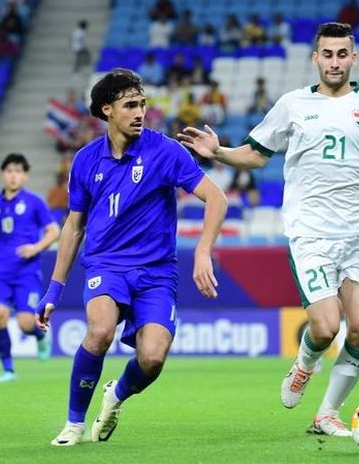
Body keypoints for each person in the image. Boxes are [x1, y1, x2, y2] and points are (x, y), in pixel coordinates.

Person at [178, 22, 359, 436]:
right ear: (316, 58)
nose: (335, 61)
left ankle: (326, 414)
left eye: (343, 54)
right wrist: (217, 152)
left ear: (354, 58)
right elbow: (254, 155)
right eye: (328, 54)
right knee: (324, 327)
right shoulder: (292, 104)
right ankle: (305, 364)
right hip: (312, 233)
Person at [35, 69, 227, 446]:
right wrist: (53, 291)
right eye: (130, 106)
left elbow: (216, 198)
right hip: (106, 266)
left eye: (142, 104)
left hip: (156, 273)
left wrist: (203, 250)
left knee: (152, 358)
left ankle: (116, 395)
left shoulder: (165, 151)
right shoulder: (86, 161)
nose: (140, 112)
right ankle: (74, 423)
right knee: (100, 331)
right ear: (108, 110)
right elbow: (74, 228)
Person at [0, 153, 60, 382]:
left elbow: (54, 231)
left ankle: (39, 336)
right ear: (2, 174)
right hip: (0, 272)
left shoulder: (35, 202)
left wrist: (36, 248)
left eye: (18, 171)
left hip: (27, 273)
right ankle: (8, 369)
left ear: (25, 176)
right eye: (9, 171)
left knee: (25, 323)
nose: (13, 176)